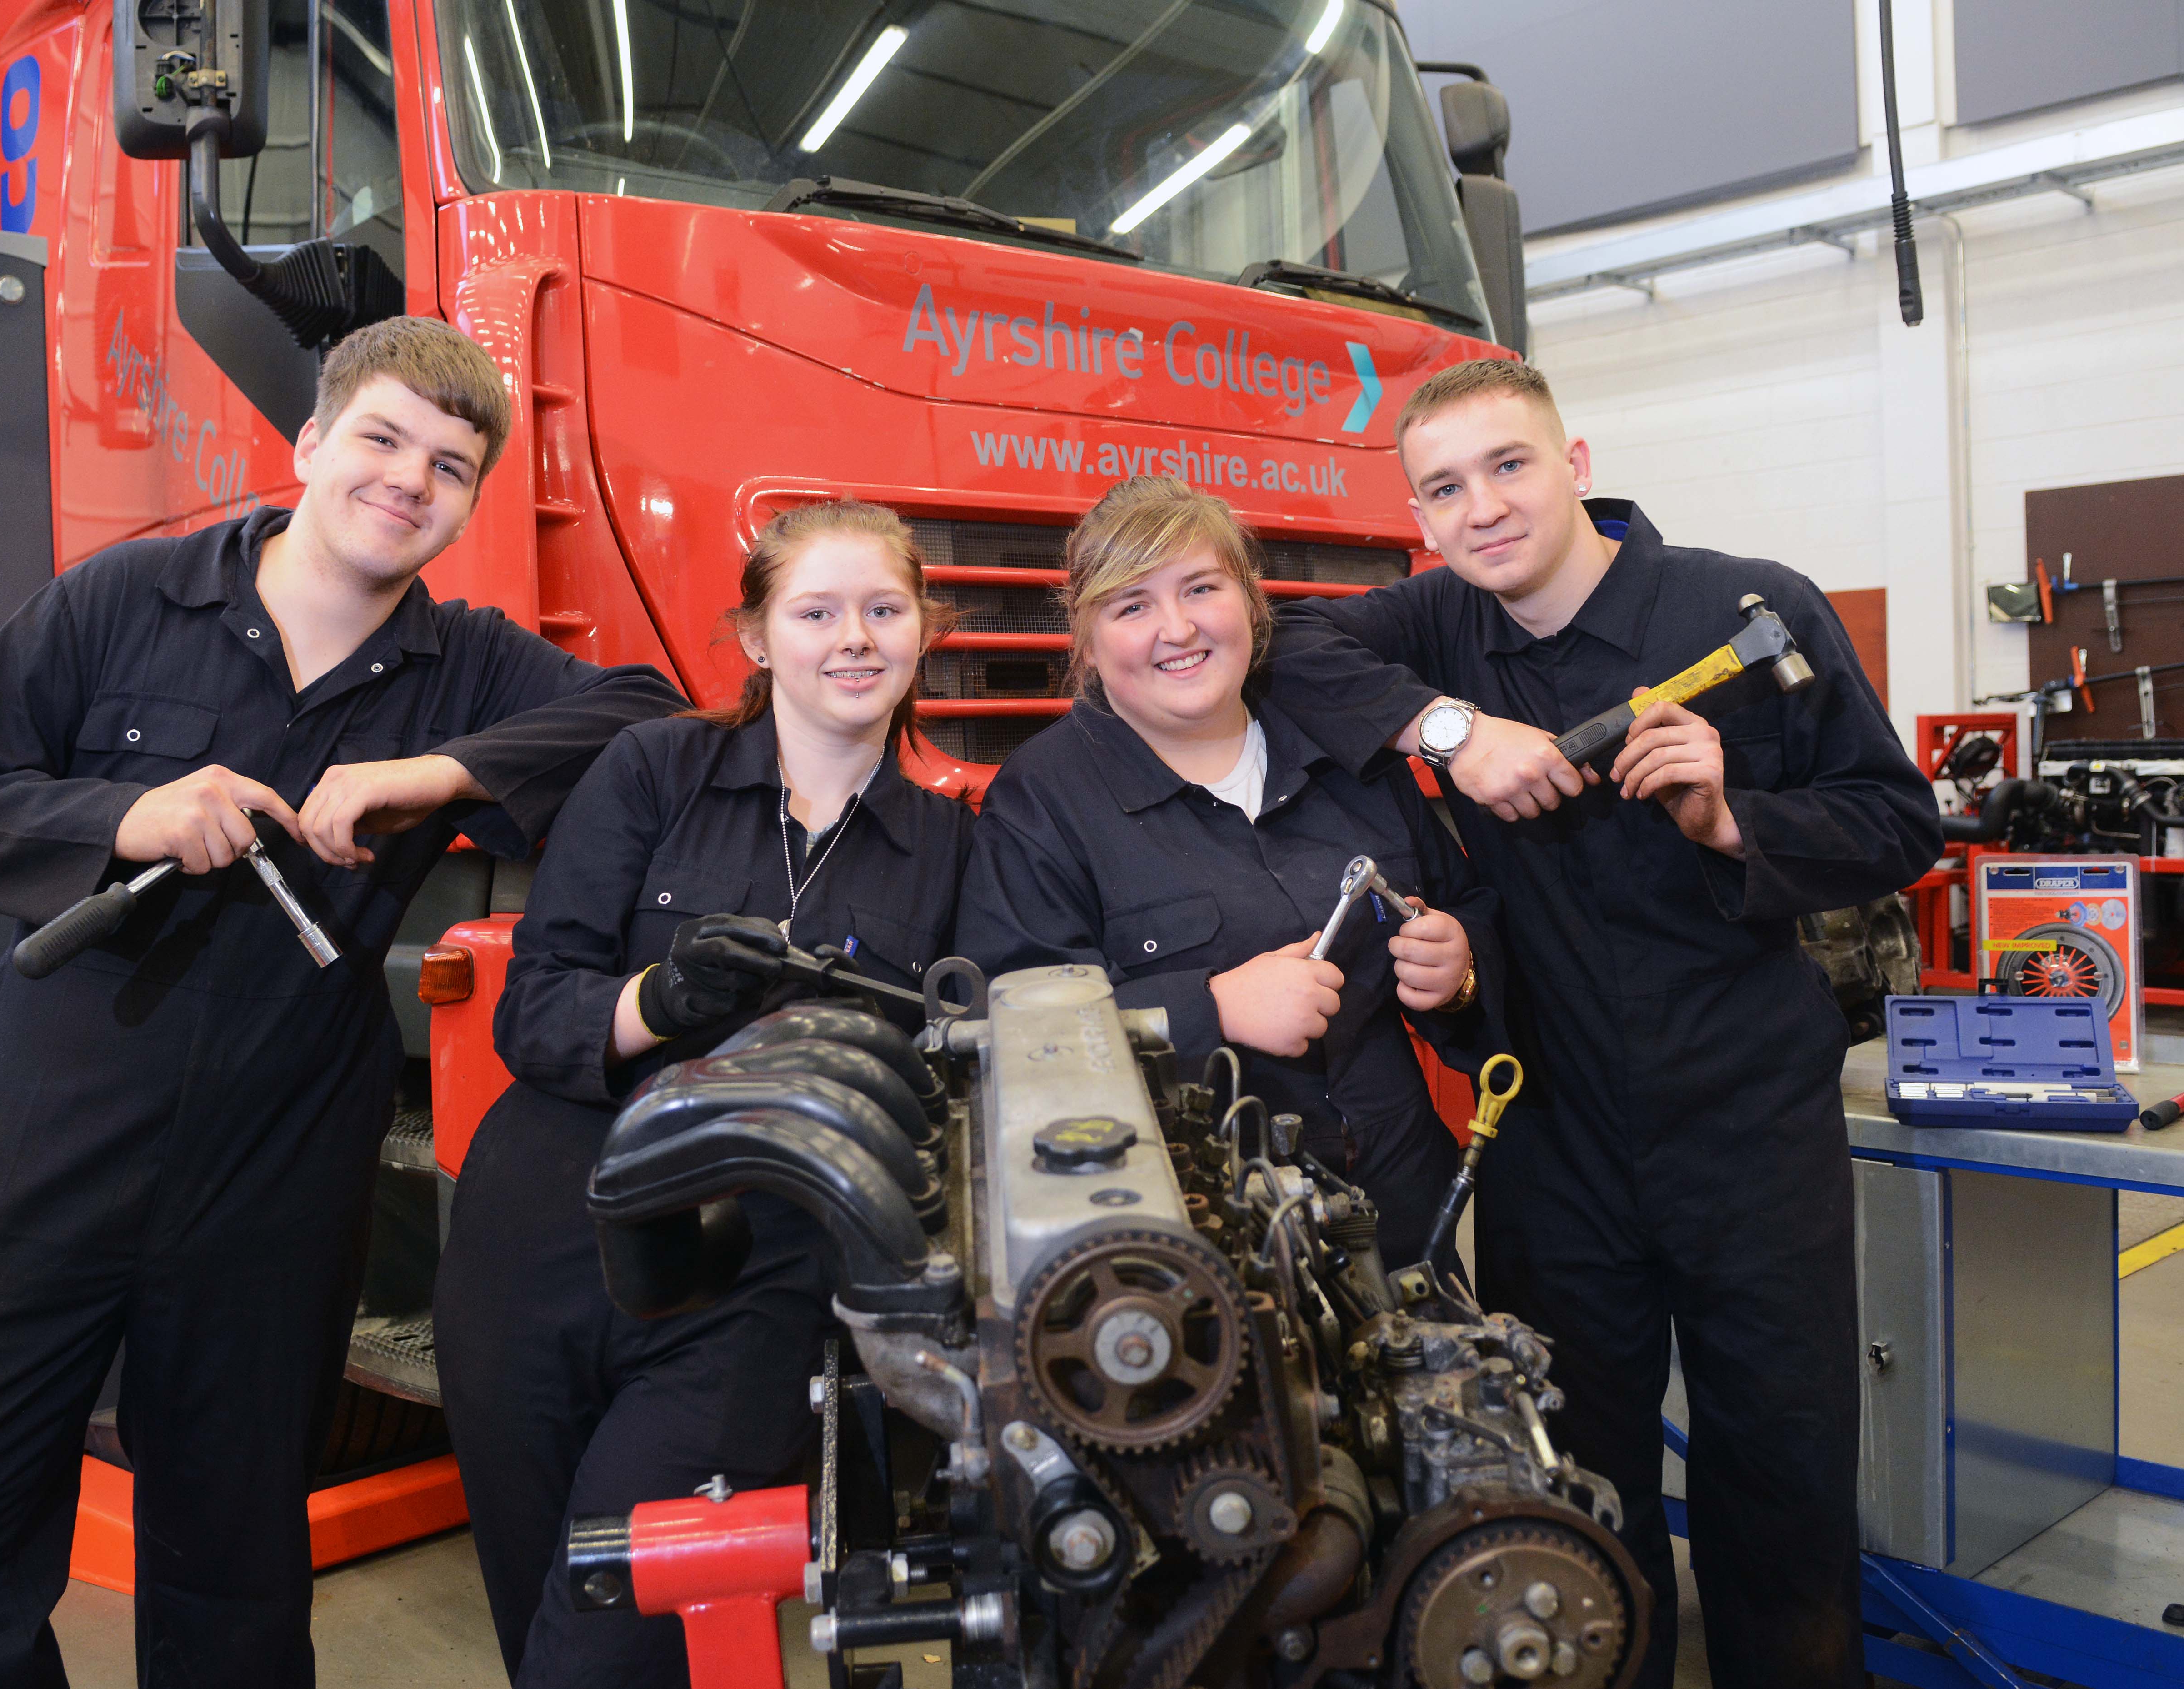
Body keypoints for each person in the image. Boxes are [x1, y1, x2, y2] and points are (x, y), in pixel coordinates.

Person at [0, 317, 684, 1689]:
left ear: (467, 506)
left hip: (279, 1150)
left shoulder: (467, 664)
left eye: (450, 467)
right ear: (310, 445)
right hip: (53, 1117)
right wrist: (130, 813)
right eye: (382, 439)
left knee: (235, 1577)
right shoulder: (122, 601)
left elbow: (657, 718)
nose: (409, 481)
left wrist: (439, 772)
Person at [1257, 358, 1944, 1689]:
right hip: (1553, 1141)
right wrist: (1456, 731)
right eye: (1446, 489)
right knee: (1572, 1491)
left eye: (1509, 467)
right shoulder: (1441, 626)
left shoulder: (1748, 605)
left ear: (1575, 465)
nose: (1484, 509)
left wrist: (1734, 810)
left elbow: (1899, 825)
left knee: (1782, 1481)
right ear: (1424, 519)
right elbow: (1283, 644)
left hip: (1750, 1134)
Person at [432, 500, 974, 1688]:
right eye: (816, 611)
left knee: (611, 1639)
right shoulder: (653, 769)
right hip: (541, 1236)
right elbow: (535, 1011)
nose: (854, 639)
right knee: (539, 1627)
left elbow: (954, 1071)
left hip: (752, 1276)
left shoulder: (947, 847)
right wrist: (660, 1001)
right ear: (755, 635)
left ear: (925, 630)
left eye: (884, 610)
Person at [955, 476, 1505, 1271]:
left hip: (1405, 1225)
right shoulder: (1043, 803)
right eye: (1131, 605)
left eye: (1201, 588)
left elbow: (1470, 911)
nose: (1176, 629)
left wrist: (1459, 966)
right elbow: (1011, 1039)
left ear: (1249, 602)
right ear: (1086, 635)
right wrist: (1209, 1009)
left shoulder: (1349, 757)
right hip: (1196, 1254)